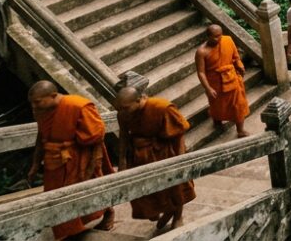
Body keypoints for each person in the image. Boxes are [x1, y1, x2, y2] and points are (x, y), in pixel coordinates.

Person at [28, 82, 114, 237]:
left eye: (37, 102)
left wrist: (89, 158)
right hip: (53, 159)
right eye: (32, 102)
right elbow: (41, 135)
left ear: (53, 96)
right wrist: (35, 163)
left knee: (89, 189)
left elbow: (96, 134)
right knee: (55, 197)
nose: (34, 106)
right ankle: (70, 231)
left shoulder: (77, 105)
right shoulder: (42, 110)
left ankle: (108, 212)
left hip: (79, 157)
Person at [115, 86, 194, 232]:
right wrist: (122, 162)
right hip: (139, 155)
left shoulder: (161, 107)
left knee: (174, 187)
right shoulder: (123, 114)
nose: (121, 112)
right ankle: (163, 211)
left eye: (125, 108)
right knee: (145, 192)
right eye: (119, 108)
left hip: (163, 151)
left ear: (139, 100)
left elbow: (179, 133)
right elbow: (124, 137)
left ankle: (177, 216)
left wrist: (180, 159)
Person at [196, 24, 251, 130]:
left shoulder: (227, 40)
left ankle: (240, 130)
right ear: (208, 36)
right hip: (215, 82)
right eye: (216, 36)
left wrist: (239, 64)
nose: (219, 38)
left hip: (231, 77)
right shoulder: (201, 52)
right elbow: (201, 72)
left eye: (220, 35)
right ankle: (217, 121)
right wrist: (208, 88)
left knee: (238, 104)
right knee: (216, 105)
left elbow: (235, 56)